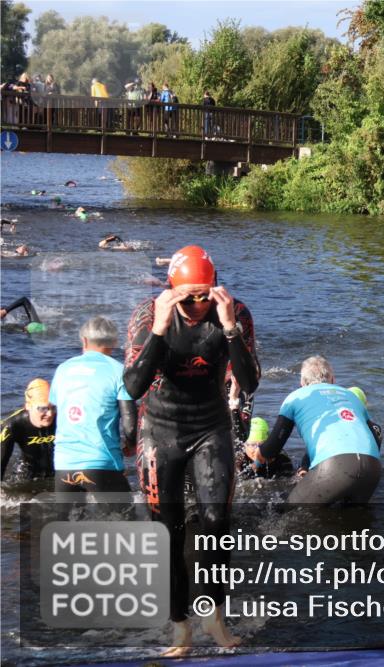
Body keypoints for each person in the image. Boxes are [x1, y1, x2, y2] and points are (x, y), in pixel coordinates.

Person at [124, 244, 258, 654]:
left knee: (216, 522)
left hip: (210, 426)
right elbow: (132, 386)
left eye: (205, 294)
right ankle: (179, 625)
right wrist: (161, 330)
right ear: (172, 291)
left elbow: (250, 382)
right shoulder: (150, 314)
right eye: (188, 297)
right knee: (169, 531)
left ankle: (214, 616)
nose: (199, 304)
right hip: (161, 430)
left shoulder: (234, 311)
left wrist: (231, 327)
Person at [248, 356, 382, 505]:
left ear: (302, 383)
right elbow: (376, 434)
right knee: (354, 521)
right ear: (332, 379)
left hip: (335, 467)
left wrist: (260, 454)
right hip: (373, 467)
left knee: (289, 513)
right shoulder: (351, 396)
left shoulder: (295, 397)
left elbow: (273, 448)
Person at [50, 317, 136, 500]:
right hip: (101, 461)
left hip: (64, 463)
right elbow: (130, 424)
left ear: (84, 340)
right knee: (126, 521)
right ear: (114, 342)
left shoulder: (62, 369)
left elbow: (57, 412)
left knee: (67, 525)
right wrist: (131, 444)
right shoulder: (119, 371)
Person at [1, 379, 56, 481]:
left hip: (58, 475)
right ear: (28, 406)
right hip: (28, 478)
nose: (50, 414)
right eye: (43, 409)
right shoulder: (12, 425)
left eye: (53, 408)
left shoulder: (63, 419)